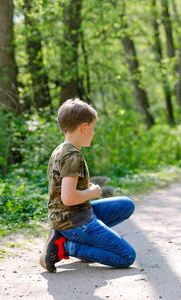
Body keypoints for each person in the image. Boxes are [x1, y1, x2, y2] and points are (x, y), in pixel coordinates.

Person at [40, 98, 136, 273]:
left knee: (126, 205)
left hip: (71, 214)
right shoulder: (73, 156)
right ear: (84, 127)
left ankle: (74, 239)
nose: (93, 132)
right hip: (74, 221)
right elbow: (68, 198)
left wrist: (87, 186)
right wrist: (92, 192)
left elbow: (64, 186)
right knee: (127, 256)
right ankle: (65, 247)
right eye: (93, 128)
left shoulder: (61, 150)